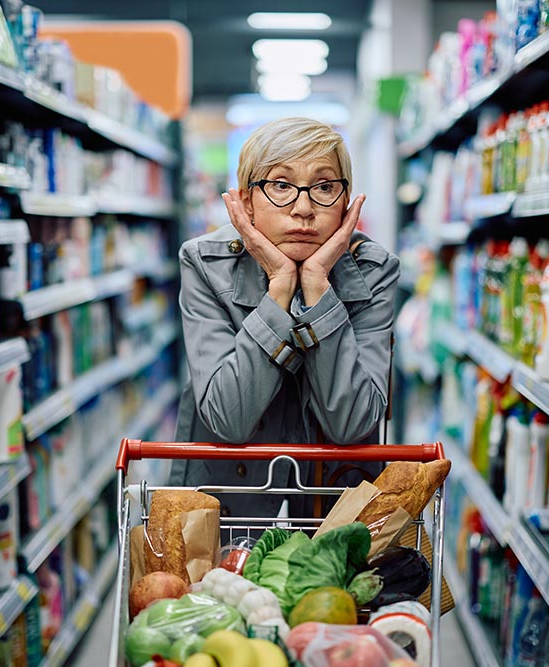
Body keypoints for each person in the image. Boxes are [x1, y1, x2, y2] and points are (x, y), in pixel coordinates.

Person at [168, 117, 401, 518]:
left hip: (334, 515)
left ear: (346, 203)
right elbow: (229, 419)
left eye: (325, 187)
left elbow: (352, 424)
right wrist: (279, 287)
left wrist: (316, 285)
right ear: (245, 203)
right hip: (226, 514)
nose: (304, 208)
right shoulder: (205, 264)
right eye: (280, 185)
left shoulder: (376, 271)